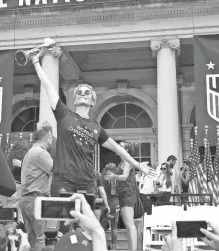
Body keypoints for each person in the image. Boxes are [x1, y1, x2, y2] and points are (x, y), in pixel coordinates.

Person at [31, 45, 155, 198]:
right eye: (79, 93)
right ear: (75, 99)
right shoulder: (64, 114)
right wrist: (36, 62)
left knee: (86, 221)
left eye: (87, 93)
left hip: (87, 182)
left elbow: (118, 148)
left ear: (92, 101)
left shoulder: (96, 127)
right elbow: (48, 85)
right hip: (63, 182)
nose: (82, 94)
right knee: (64, 221)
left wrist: (137, 165)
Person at [19, 122, 54, 251]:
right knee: (40, 238)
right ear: (48, 138)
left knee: (32, 239)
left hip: (26, 199)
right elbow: (56, 170)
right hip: (36, 199)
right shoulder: (40, 153)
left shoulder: (29, 153)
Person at [105, 142, 139, 250]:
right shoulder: (122, 162)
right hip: (123, 194)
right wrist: (113, 181)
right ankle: (131, 249)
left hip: (127, 193)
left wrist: (114, 176)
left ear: (126, 150)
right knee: (128, 223)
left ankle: (133, 250)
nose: (118, 147)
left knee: (129, 223)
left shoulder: (127, 161)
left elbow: (124, 177)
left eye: (121, 146)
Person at [100, 163, 119, 249]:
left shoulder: (102, 178)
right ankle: (114, 246)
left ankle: (105, 244)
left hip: (104, 204)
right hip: (115, 204)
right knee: (114, 227)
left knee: (103, 227)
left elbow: (100, 191)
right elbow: (118, 192)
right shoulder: (116, 179)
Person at [7, 139, 30, 209]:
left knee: (11, 207)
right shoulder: (26, 158)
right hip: (21, 186)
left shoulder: (10, 158)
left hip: (11, 184)